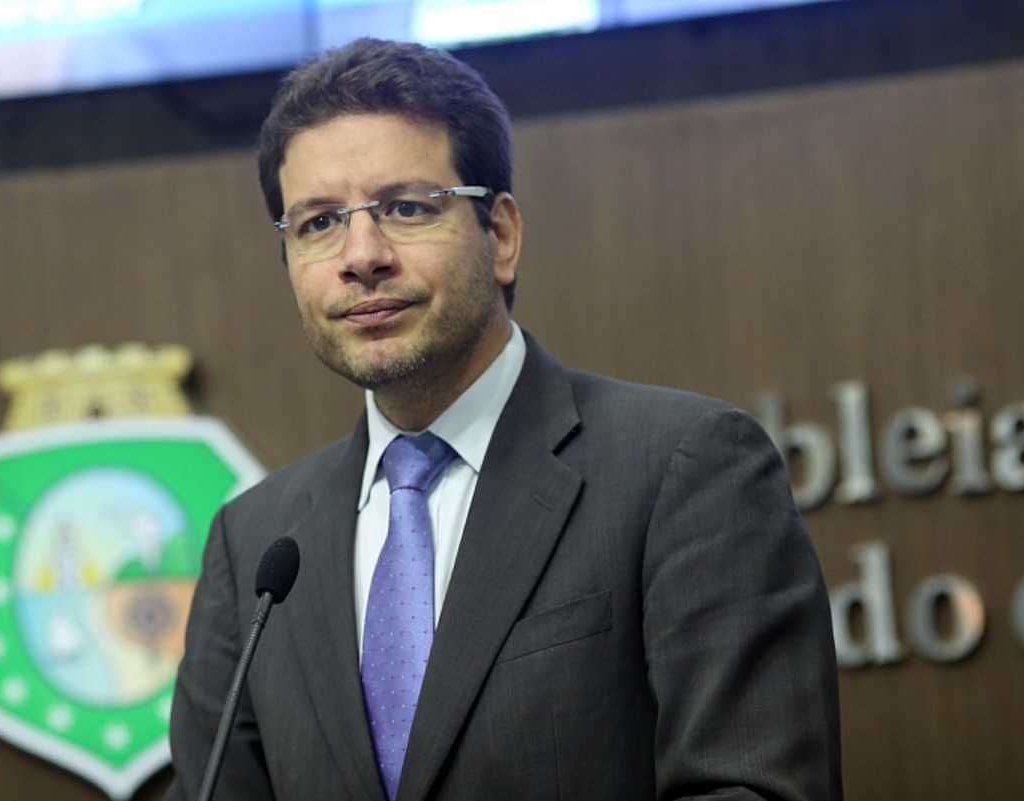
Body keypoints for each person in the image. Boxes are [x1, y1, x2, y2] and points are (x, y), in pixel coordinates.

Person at [166, 37, 842, 801]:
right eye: (319, 223)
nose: (362, 255)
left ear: (504, 234)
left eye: (407, 207)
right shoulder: (253, 548)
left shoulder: (682, 470)